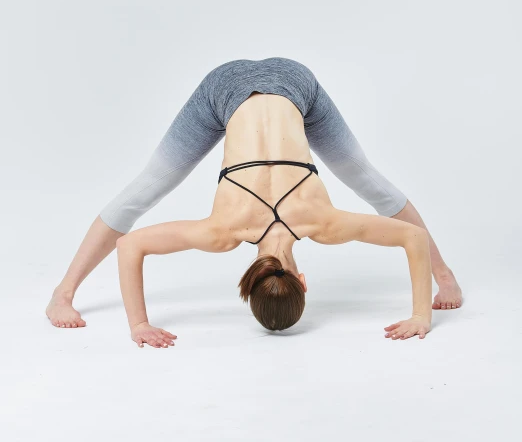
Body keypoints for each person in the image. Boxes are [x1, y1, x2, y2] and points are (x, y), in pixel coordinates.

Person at [45, 57, 463, 346]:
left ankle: (64, 293)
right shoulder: (222, 233)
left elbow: (410, 238)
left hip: (287, 85)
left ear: (302, 282)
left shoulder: (324, 224)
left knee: (372, 185)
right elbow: (130, 246)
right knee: (372, 184)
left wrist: (420, 317)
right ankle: (61, 295)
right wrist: (138, 325)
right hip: (233, 89)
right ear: (247, 283)